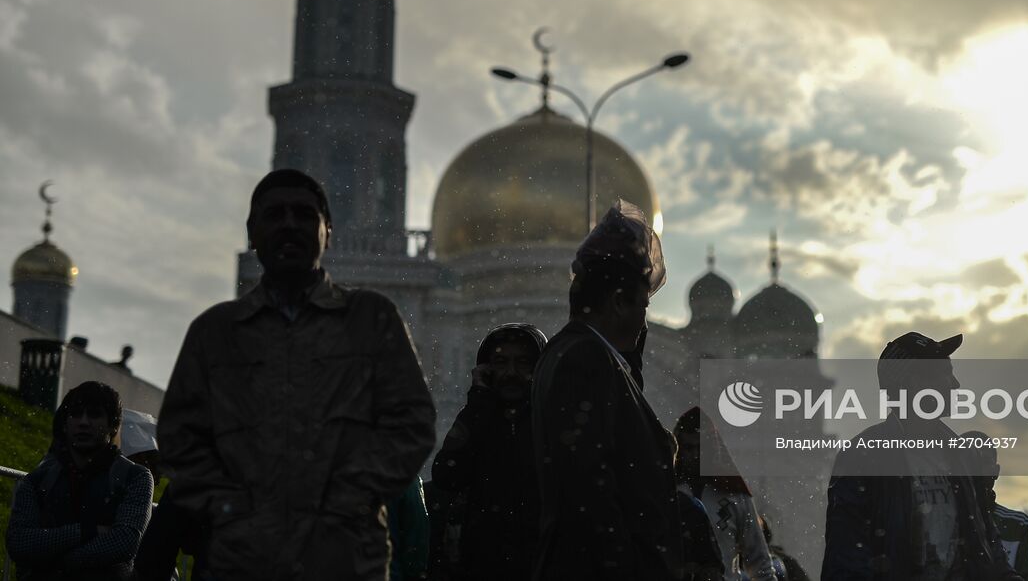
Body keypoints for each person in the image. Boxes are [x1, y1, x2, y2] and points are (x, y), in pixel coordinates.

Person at [158, 168, 436, 581]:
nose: (289, 224)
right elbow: (181, 437)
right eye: (275, 215)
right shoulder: (216, 332)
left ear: (328, 231)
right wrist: (230, 509)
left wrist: (350, 497)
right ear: (252, 233)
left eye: (304, 215)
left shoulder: (370, 320)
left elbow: (412, 423)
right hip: (243, 563)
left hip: (344, 560)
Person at [531, 200, 682, 581]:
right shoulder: (585, 358)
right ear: (618, 303)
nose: (643, 320)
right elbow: (589, 486)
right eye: (642, 306)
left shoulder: (580, 352)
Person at [822, 331, 1022, 580]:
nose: (955, 384)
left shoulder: (961, 455)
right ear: (916, 382)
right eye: (945, 373)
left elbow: (986, 541)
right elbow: (846, 561)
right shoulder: (863, 457)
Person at [430, 322, 547, 580]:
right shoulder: (478, 417)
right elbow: (446, 474)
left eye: (523, 363)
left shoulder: (552, 421)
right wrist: (479, 402)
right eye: (501, 362)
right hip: (484, 563)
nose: (511, 372)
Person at [6, 380, 155, 581]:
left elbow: (123, 543)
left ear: (113, 425)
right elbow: (18, 543)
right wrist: (89, 531)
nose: (84, 422)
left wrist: (54, 562)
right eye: (75, 414)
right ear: (65, 424)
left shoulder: (136, 477)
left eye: (94, 414)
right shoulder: (37, 480)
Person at [674, 407, 777, 581]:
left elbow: (761, 565)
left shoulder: (735, 495)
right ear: (680, 450)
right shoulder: (668, 493)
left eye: (701, 448)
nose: (695, 455)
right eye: (689, 448)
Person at [961, 431, 1028, 581]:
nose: (977, 469)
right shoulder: (940, 522)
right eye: (969, 461)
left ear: (996, 471)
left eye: (984, 461)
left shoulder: (1019, 526)